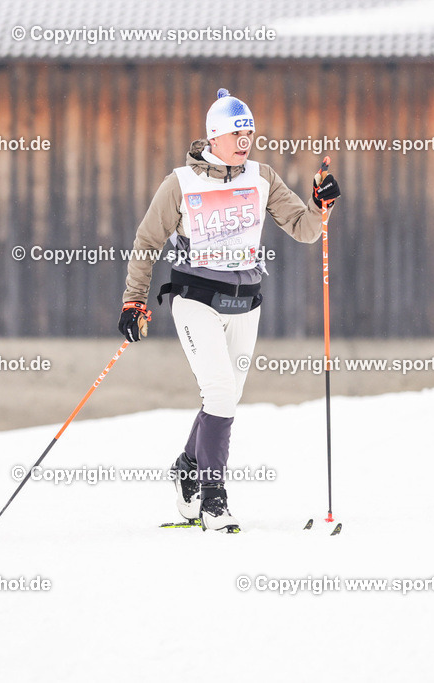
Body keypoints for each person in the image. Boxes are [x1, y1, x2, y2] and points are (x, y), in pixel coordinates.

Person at [117, 88, 341, 532]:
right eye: (237, 132)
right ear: (213, 136)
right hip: (194, 298)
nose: (245, 140)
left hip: (245, 302)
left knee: (224, 398)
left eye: (250, 132)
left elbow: (303, 229)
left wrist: (320, 205)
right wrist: (134, 299)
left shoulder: (262, 177)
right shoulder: (180, 182)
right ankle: (214, 498)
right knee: (220, 392)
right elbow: (147, 241)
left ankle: (187, 465)